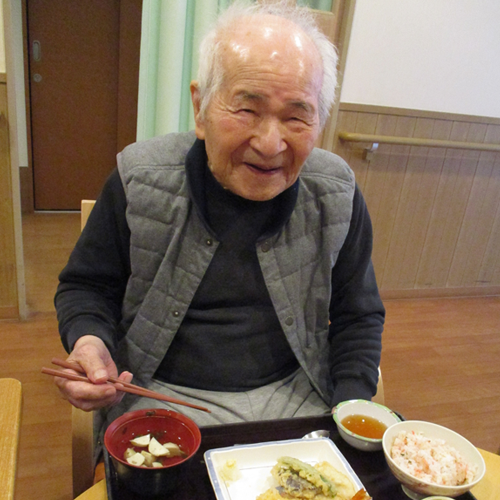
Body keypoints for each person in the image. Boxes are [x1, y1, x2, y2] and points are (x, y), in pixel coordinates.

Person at [54, 1, 384, 462]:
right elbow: (86, 286)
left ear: (320, 121)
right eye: (247, 109)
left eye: (296, 116)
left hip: (295, 396)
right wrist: (90, 343)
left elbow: (359, 315)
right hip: (160, 396)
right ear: (200, 106)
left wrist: (349, 404)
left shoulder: (336, 193)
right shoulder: (140, 179)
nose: (271, 144)